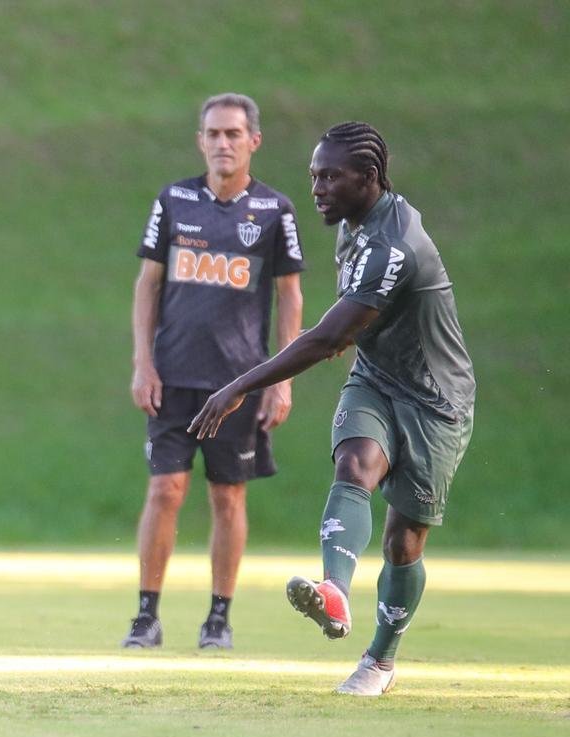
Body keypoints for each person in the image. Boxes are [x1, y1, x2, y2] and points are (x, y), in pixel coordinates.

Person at [189, 121, 475, 695]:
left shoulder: (392, 248)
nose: (316, 187)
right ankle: (335, 593)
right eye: (313, 175)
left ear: (369, 179)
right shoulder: (354, 222)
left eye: (330, 177)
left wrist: (237, 386)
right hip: (375, 379)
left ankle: (381, 661)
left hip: (436, 400)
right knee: (355, 464)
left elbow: (326, 340)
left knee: (403, 543)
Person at [123, 93, 305, 650]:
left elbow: (291, 298)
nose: (222, 143)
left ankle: (218, 618)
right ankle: (146, 616)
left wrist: (281, 380)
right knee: (165, 489)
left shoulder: (275, 211)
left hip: (238, 384)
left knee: (228, 497)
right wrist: (143, 362)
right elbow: (148, 285)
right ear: (200, 140)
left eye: (233, 134)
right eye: (212, 133)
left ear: (254, 141)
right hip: (174, 377)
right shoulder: (175, 200)